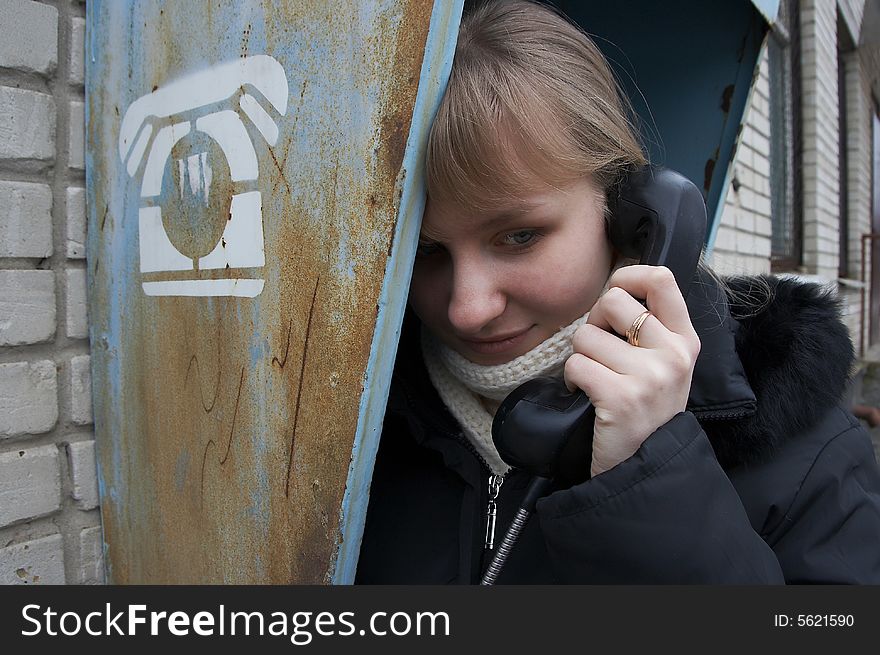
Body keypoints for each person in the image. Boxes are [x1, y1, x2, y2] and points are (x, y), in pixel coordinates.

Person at [355, 0, 880, 583]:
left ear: (633, 216)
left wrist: (653, 482)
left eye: (519, 236)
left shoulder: (806, 454)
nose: (468, 309)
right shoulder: (349, 422)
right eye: (426, 253)